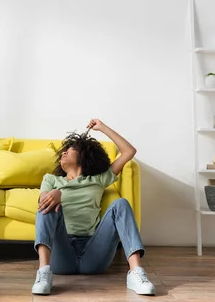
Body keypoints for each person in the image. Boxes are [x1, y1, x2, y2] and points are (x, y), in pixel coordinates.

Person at [31, 119, 155, 296]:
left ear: (83, 155)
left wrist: (102, 128)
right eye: (63, 151)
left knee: (121, 204)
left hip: (94, 254)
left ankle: (136, 274)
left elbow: (129, 151)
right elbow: (43, 200)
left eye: (70, 149)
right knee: (48, 203)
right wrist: (56, 193)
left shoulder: (98, 179)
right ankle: (43, 273)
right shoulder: (51, 180)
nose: (64, 152)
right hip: (61, 256)